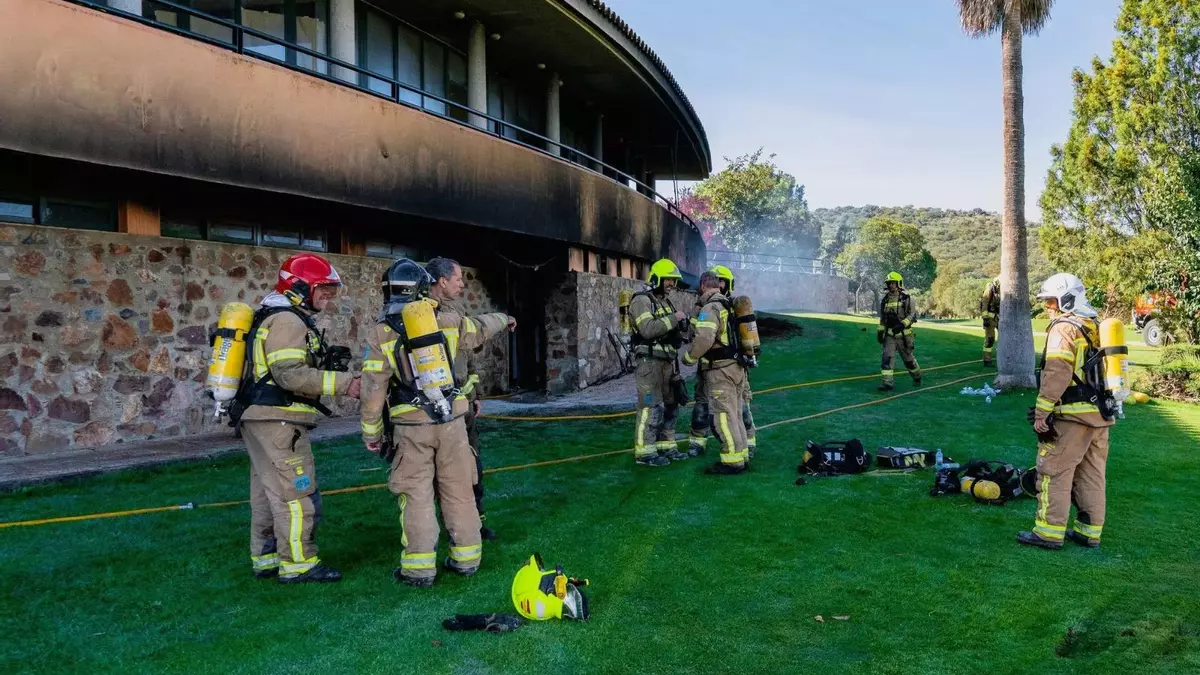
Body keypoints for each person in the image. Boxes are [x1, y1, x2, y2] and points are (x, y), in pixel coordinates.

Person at [359, 258, 514, 587]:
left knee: (415, 494)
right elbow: (482, 327)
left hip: (411, 426)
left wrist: (371, 432)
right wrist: (506, 318)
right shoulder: (448, 319)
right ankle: (467, 559)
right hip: (454, 421)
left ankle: (418, 569)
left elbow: (374, 389)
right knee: (459, 490)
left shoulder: (382, 331)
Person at [237, 253, 361, 584]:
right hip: (279, 421)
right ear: (299, 287)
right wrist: (347, 384)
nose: (329, 296)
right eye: (322, 289)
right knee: (296, 491)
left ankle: (265, 557)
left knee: (266, 492)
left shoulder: (270, 316)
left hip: (258, 419)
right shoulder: (288, 321)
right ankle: (299, 562)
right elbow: (288, 375)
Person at [1018, 273, 1115, 550]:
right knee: (1092, 474)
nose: (1048, 308)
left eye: (1051, 302)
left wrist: (1041, 413)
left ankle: (1048, 532)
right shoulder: (1095, 326)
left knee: (1053, 472)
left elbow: (1057, 373)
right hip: (1100, 417)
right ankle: (1089, 532)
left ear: (1066, 299)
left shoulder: (1064, 328)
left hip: (1072, 417)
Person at [426, 257, 501, 540]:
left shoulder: (456, 310)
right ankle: (450, 525)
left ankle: (476, 523)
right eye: (458, 278)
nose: (462, 283)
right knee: (444, 472)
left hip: (464, 406)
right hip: (441, 411)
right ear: (442, 281)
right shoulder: (422, 315)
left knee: (474, 467)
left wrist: (475, 394)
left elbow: (465, 357)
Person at [682, 271, 750, 475]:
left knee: (723, 416)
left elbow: (704, 338)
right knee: (736, 415)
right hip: (737, 368)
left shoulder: (710, 307)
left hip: (720, 370)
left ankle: (731, 461)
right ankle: (742, 455)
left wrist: (689, 358)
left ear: (703, 285)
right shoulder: (729, 305)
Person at [628, 259, 690, 466]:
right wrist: (673, 319)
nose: (672, 284)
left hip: (667, 363)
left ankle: (667, 446)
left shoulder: (665, 301)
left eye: (673, 280)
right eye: (669, 280)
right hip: (649, 363)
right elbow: (647, 329)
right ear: (657, 279)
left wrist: (683, 325)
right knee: (650, 406)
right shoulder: (641, 300)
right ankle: (645, 452)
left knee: (671, 405)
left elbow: (671, 328)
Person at [877, 271, 921, 391]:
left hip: (904, 336)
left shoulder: (907, 298)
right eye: (889, 283)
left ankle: (917, 376)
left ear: (898, 284)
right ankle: (887, 383)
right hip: (890, 335)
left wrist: (902, 325)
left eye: (893, 283)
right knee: (887, 358)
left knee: (908, 360)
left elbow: (912, 315)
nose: (890, 285)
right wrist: (880, 332)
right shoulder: (884, 300)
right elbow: (882, 319)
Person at [980, 277, 1001, 367]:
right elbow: (984, 304)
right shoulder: (990, 288)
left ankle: (1003, 358)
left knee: (1005, 337)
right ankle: (987, 360)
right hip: (990, 318)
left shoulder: (1001, 290)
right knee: (990, 339)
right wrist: (985, 318)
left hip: (998, 317)